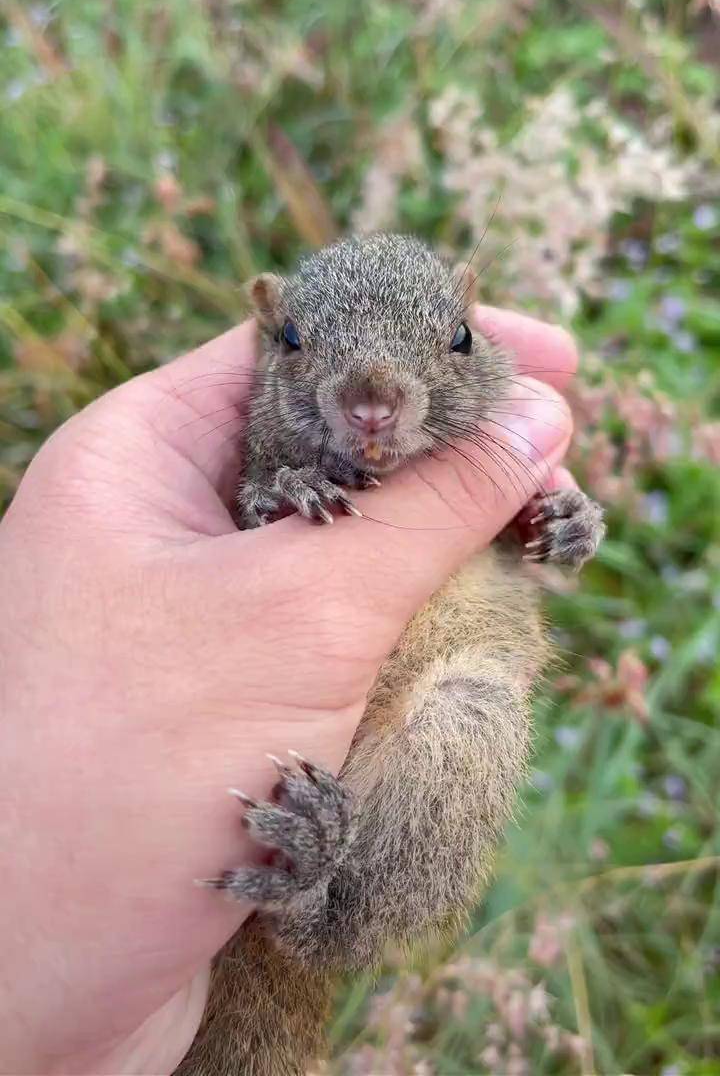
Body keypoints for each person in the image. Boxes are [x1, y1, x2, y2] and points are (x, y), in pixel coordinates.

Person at [0, 304, 577, 1075]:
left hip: (420, 724)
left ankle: (323, 906)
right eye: (302, 348)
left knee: (466, 718)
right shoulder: (272, 455)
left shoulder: (485, 436)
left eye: (453, 343)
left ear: (475, 348)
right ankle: (303, 890)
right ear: (275, 346)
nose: (375, 398)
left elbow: (531, 556)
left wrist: (560, 518)